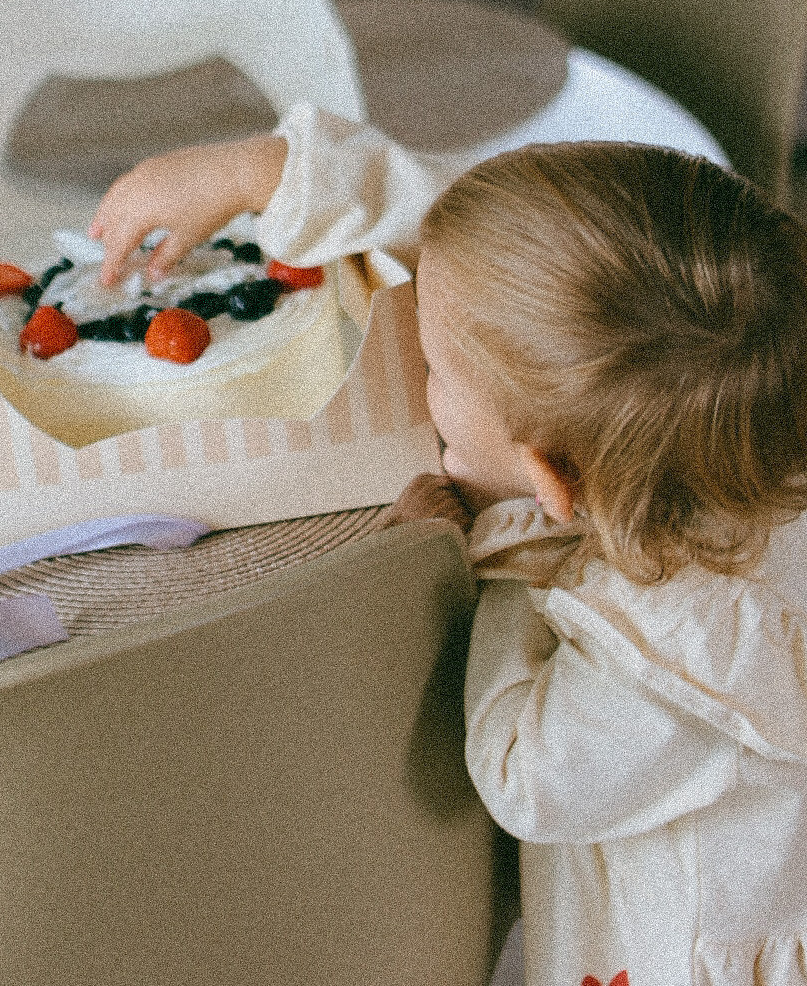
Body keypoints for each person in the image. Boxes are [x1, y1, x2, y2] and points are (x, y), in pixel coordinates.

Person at [89, 106, 807, 983]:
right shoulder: (737, 397)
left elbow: (524, 774)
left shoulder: (680, 659)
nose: (419, 375)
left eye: (432, 367)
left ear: (552, 485)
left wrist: (487, 567)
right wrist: (256, 171)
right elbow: (476, 252)